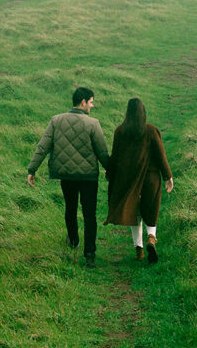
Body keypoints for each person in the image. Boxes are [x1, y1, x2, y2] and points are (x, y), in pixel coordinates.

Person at [27, 86, 110, 267]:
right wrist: (110, 171)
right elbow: (102, 152)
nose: (92, 106)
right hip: (88, 177)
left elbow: (43, 146)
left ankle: (73, 240)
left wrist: (32, 169)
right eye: (91, 102)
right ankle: (90, 254)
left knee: (70, 208)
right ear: (83, 102)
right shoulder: (93, 124)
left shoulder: (56, 121)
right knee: (89, 215)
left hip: (66, 175)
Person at [104, 97, 174, 263]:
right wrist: (168, 176)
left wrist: (110, 175)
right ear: (144, 113)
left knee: (134, 214)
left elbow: (115, 156)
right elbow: (161, 155)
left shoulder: (120, 131)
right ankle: (151, 237)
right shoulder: (151, 131)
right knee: (151, 209)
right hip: (151, 178)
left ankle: (139, 250)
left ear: (127, 113)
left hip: (129, 179)